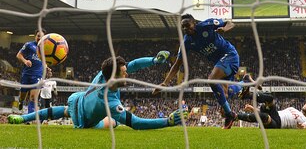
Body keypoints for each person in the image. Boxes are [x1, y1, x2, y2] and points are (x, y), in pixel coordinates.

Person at [8, 52, 189, 130]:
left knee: (61, 110)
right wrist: (167, 122)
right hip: (84, 121)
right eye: (124, 74)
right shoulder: (110, 102)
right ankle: (23, 118)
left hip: (75, 100)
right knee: (113, 123)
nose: (128, 75)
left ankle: (22, 118)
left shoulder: (103, 73)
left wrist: (154, 60)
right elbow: (137, 123)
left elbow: (132, 64)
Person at [152, 14, 240, 129]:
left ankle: (230, 114)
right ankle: (237, 96)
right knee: (225, 95)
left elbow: (230, 23)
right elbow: (177, 64)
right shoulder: (187, 42)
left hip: (230, 55)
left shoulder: (206, 25)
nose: (185, 29)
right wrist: (165, 83)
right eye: (183, 27)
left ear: (194, 23)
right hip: (219, 62)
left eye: (187, 25)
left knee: (211, 80)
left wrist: (224, 28)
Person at [237, 90, 306, 129]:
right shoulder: (292, 108)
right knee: (270, 98)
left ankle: (237, 116)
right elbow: (274, 113)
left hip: (277, 124)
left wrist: (303, 126)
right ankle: (247, 95)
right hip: (275, 115)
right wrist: (253, 109)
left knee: (265, 117)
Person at [16, 29, 47, 114]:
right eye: (38, 36)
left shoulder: (47, 48)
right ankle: (21, 101)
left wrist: (47, 68)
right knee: (23, 95)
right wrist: (25, 61)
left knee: (33, 97)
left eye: (42, 36)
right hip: (26, 74)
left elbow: (45, 61)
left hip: (38, 75)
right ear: (35, 36)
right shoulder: (29, 45)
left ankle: (28, 118)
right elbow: (19, 55)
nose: (40, 37)